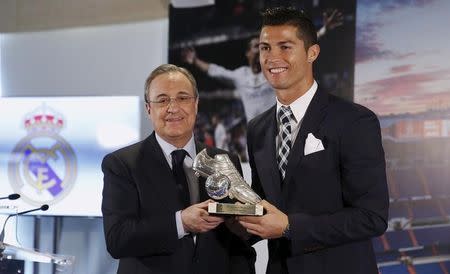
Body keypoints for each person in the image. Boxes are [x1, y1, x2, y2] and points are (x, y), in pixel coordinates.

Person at [237, 7, 389, 274]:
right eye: (265, 48)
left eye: (285, 47)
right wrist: (232, 222)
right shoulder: (257, 129)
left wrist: (289, 227)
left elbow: (371, 218)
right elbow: (265, 205)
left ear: (312, 52)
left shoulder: (354, 121)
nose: (272, 58)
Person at [101, 64, 255, 274]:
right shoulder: (122, 164)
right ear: (149, 109)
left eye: (183, 98)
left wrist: (244, 228)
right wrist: (180, 223)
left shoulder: (223, 159)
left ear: (196, 104)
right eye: (163, 100)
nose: (173, 108)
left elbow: (239, 244)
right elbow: (117, 239)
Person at [181, 9, 343, 123]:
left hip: (277, 130)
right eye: (256, 47)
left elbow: (299, 51)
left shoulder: (274, 70)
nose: (260, 50)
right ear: (248, 53)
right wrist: (195, 61)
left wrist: (323, 31)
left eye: (263, 47)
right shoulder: (240, 76)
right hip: (254, 134)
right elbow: (215, 71)